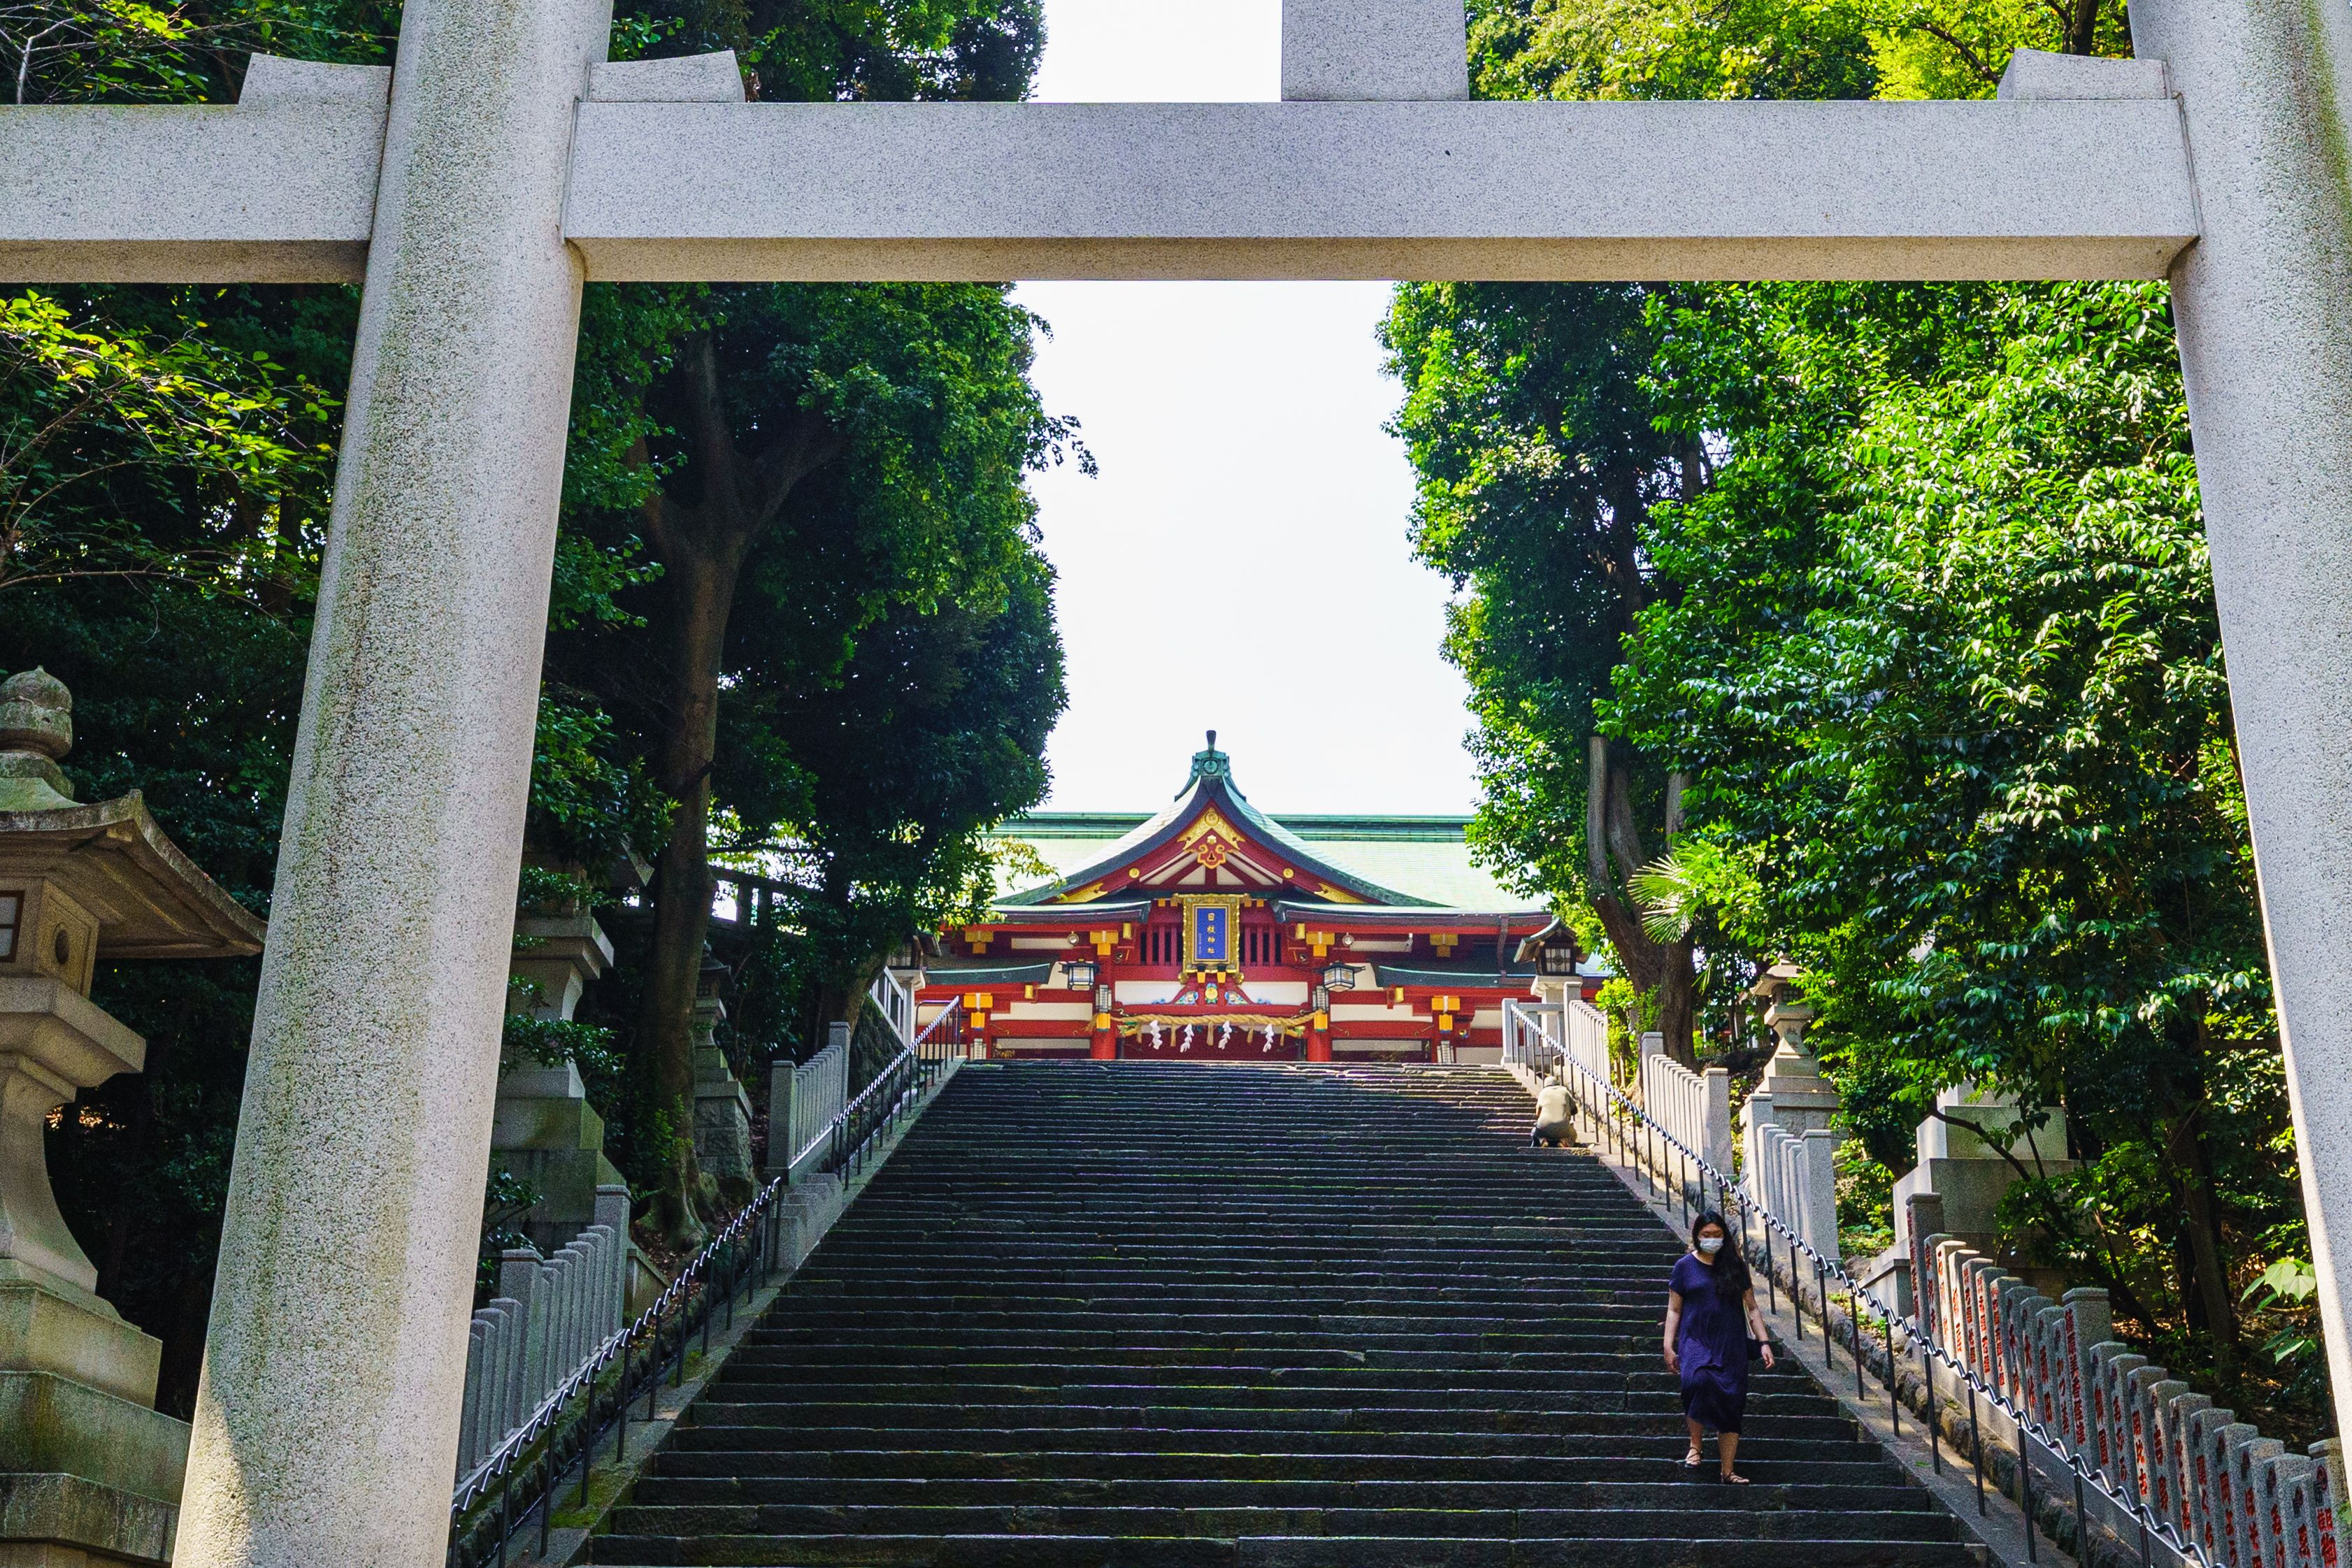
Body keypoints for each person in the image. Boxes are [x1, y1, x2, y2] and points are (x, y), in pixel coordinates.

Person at [1663, 1210, 1774, 1483]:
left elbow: (1752, 1308)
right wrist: (1668, 1344)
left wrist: (1764, 1342)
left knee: (1732, 1400)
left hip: (1731, 1344)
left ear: (1724, 1236)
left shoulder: (1734, 1267)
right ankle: (1695, 1445)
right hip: (1695, 1340)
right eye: (1706, 1235)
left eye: (1717, 1235)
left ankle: (1728, 1470)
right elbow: (1674, 1310)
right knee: (1696, 1381)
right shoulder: (1684, 1267)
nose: (1711, 1239)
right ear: (1697, 1236)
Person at [1529, 1077, 1575, 1146]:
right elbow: (1574, 1109)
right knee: (1573, 1134)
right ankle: (1564, 1143)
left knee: (1534, 1132)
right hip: (1562, 1128)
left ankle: (1542, 1140)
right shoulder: (1565, 1091)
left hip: (1543, 1128)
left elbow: (1538, 1113)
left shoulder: (1543, 1092)